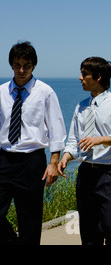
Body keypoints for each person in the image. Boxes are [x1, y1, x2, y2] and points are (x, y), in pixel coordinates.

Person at [58, 57, 111, 245]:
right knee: (88, 229)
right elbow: (74, 140)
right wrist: (66, 157)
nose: (80, 78)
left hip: (110, 173)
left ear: (98, 77)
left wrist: (101, 139)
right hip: (86, 173)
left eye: (84, 74)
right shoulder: (81, 106)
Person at [0, 41, 66, 245]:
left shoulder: (45, 92)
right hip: (3, 159)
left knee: (30, 219)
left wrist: (54, 162)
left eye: (26, 66)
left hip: (32, 162)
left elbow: (56, 129)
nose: (21, 70)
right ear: (11, 64)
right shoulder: (1, 92)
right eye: (17, 65)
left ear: (33, 66)